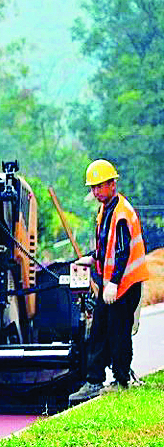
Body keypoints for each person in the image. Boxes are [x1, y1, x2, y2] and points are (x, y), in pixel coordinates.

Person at [69, 159, 149, 402]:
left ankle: (122, 381)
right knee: (99, 332)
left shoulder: (121, 213)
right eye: (93, 187)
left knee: (118, 333)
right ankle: (94, 381)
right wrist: (92, 258)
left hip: (124, 284)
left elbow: (123, 252)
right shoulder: (105, 210)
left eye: (99, 186)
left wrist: (113, 283)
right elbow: (107, 246)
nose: (95, 192)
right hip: (112, 284)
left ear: (112, 184)